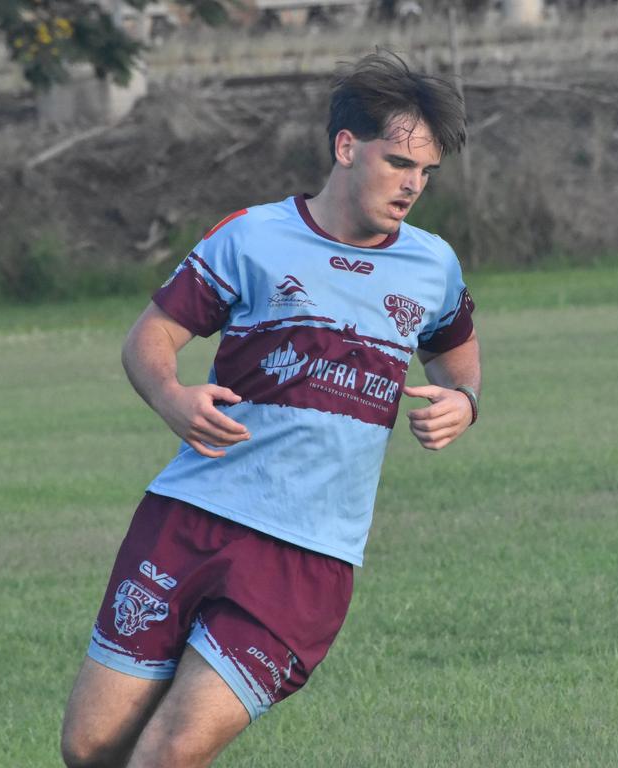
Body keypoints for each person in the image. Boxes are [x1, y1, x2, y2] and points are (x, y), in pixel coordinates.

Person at [60, 50, 481, 768]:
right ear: (346, 147)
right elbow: (149, 340)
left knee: (166, 757)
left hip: (308, 558)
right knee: (91, 748)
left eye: (426, 172)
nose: (413, 185)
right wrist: (172, 396)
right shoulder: (252, 237)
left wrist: (462, 403)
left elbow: (457, 357)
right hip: (189, 518)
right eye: (399, 163)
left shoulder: (432, 264)